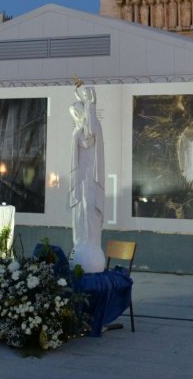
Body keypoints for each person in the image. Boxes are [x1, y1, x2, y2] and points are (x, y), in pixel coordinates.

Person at [69, 78, 105, 273]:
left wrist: (90, 103)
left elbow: (88, 138)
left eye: (77, 112)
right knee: (80, 212)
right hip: (81, 179)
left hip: (90, 178)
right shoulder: (78, 130)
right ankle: (81, 244)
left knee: (90, 210)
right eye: (74, 113)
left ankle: (90, 248)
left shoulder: (93, 128)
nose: (76, 115)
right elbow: (81, 137)